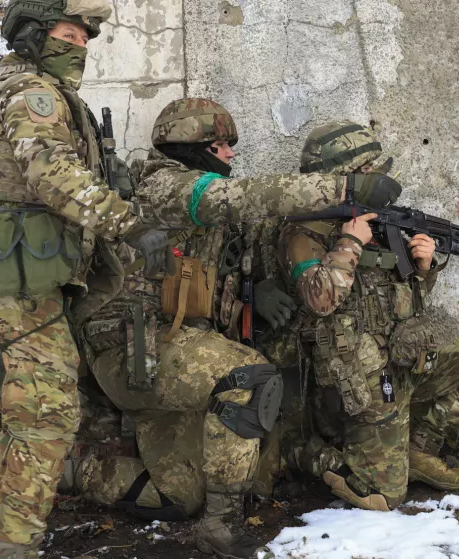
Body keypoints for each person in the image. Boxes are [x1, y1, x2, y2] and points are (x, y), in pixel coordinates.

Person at [60, 98, 404, 559]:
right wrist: (345, 187)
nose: (231, 155)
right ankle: (221, 528)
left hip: (175, 351)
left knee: (180, 496)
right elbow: (243, 198)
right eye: (221, 145)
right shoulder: (165, 187)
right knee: (249, 377)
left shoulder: (201, 210)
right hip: (134, 349)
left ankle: (62, 469)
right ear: (191, 147)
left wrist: (252, 293)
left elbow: (220, 256)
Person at [0, 0, 168, 556]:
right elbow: (51, 174)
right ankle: (12, 546)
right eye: (69, 34)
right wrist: (129, 225)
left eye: (86, 39)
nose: (80, 46)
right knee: (48, 416)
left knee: (24, 416)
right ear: (35, 35)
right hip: (10, 282)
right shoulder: (30, 93)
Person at [276, 121, 459, 511]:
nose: (377, 179)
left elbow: (402, 303)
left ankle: (418, 451)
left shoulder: (380, 222)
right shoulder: (306, 231)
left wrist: (423, 268)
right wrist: (349, 242)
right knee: (382, 497)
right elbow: (319, 301)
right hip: (358, 377)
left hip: (402, 362)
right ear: (340, 177)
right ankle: (299, 451)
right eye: (367, 171)